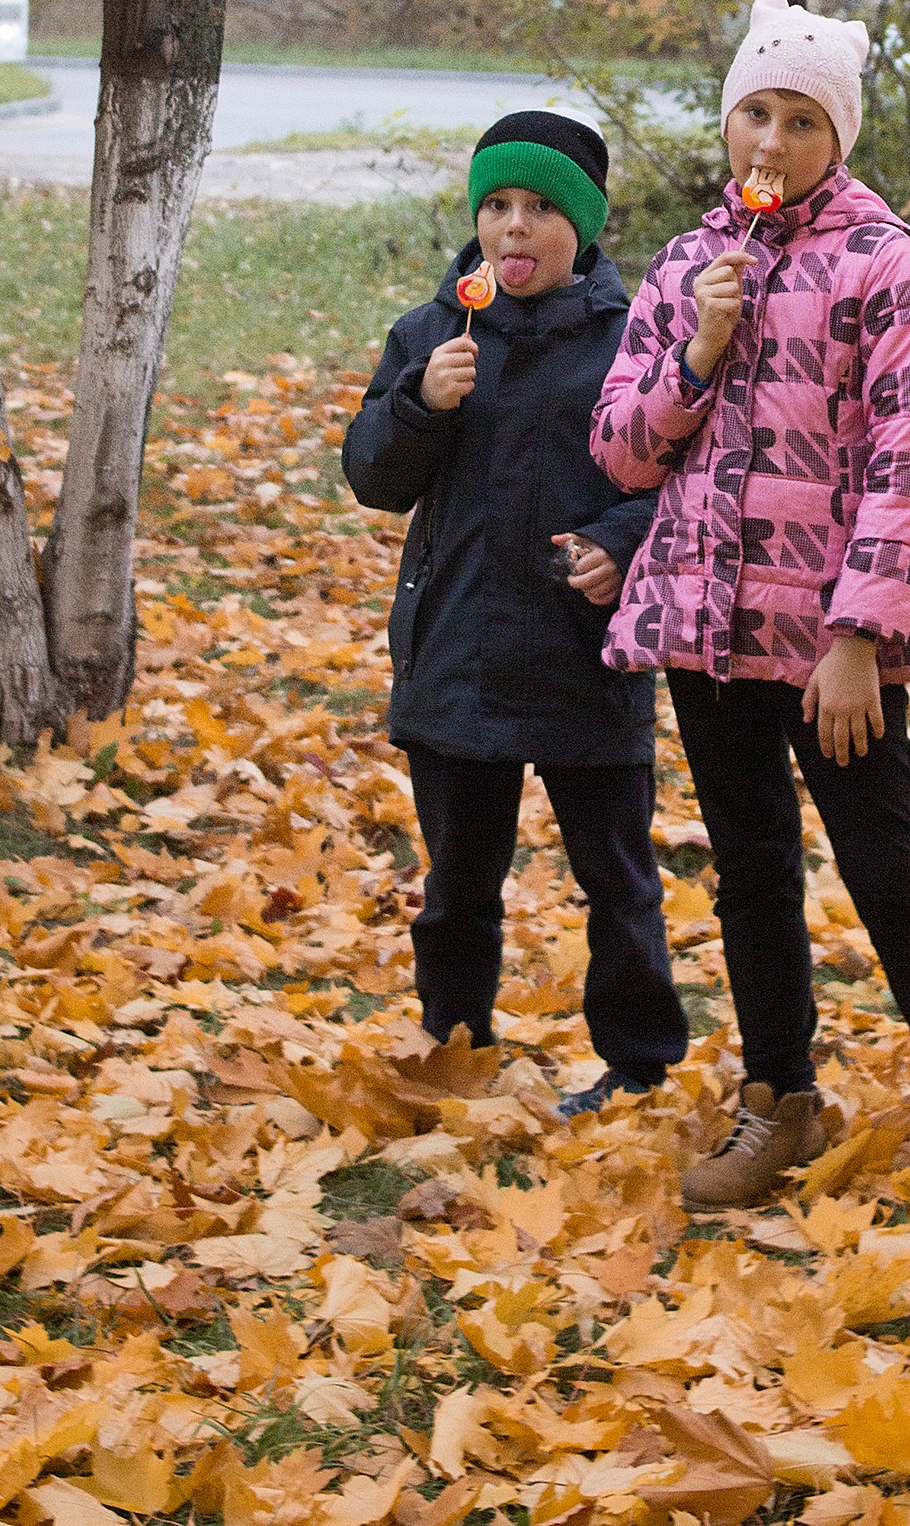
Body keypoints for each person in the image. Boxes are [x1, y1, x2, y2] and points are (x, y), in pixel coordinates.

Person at [592, 0, 910, 1236]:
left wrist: (856, 638)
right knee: (749, 874)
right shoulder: (685, 265)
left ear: (835, 137)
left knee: (890, 875)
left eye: (801, 121)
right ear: (727, 121)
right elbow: (620, 454)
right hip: (706, 626)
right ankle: (779, 1098)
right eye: (756, 114)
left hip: (829, 642)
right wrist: (697, 349)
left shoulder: (880, 262)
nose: (772, 142)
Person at [343, 108, 688, 1115]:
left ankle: (637, 1061)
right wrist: (419, 403)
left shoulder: (632, 341)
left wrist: (620, 545)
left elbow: (675, 483)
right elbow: (373, 479)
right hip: (461, 649)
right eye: (495, 205)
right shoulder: (430, 335)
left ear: (582, 226)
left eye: (540, 208)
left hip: (587, 655)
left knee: (618, 879)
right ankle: (456, 1041)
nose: (514, 227)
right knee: (458, 880)